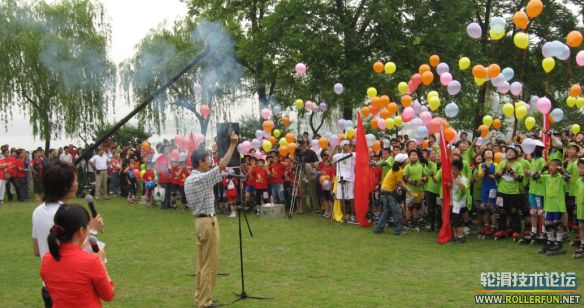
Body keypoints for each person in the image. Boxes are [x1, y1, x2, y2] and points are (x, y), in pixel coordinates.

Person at [32, 160, 104, 307]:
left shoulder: (38, 211)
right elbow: (73, 254)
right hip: (72, 286)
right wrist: (92, 231)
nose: (77, 183)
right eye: (75, 180)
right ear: (67, 186)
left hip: (50, 285)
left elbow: (38, 250)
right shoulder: (67, 215)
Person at [184, 131, 238, 308]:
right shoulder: (200, 178)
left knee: (201, 264)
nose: (210, 161)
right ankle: (205, 302)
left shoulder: (190, 179)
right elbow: (222, 165)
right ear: (200, 162)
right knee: (209, 264)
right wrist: (233, 145)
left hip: (200, 223)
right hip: (208, 222)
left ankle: (200, 297)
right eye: (208, 159)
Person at [40, 204, 114, 307]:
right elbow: (108, 295)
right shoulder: (91, 261)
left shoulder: (46, 259)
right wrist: (101, 262)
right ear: (81, 231)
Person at [533, 159, 569, 254]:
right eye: (550, 165)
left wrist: (561, 170)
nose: (551, 167)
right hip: (548, 206)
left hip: (558, 206)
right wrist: (543, 168)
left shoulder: (561, 178)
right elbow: (535, 177)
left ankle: (559, 242)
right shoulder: (546, 177)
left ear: (558, 167)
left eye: (554, 166)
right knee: (548, 224)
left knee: (557, 224)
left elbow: (568, 178)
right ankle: (550, 241)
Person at [373, 153, 409, 235]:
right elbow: (400, 183)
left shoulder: (394, 168)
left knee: (387, 210)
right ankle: (398, 230)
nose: (407, 160)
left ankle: (378, 228)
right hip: (389, 192)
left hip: (384, 190)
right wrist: (409, 190)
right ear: (403, 162)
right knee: (397, 211)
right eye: (405, 159)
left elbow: (396, 182)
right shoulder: (399, 170)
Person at [333, 140, 356, 223]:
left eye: (347, 145)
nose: (345, 147)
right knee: (341, 197)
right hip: (341, 178)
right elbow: (330, 159)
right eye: (344, 145)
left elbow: (352, 155)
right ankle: (344, 216)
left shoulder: (353, 154)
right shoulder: (338, 155)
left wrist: (349, 149)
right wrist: (335, 149)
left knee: (350, 197)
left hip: (350, 178)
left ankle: (353, 215)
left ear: (350, 146)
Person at [449, 159, 469, 243]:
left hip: (459, 203)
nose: (453, 171)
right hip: (452, 201)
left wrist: (459, 184)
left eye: (455, 169)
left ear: (460, 170)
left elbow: (464, 191)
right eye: (452, 168)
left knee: (456, 219)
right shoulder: (451, 176)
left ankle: (461, 236)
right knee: (453, 219)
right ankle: (455, 235)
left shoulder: (463, 179)